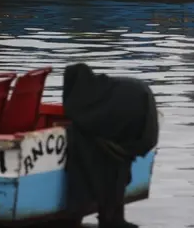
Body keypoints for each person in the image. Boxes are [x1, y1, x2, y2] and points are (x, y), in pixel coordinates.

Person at [62, 62, 159, 228]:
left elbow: (88, 122)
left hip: (135, 112)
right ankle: (112, 216)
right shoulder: (101, 90)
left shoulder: (91, 100)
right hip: (142, 111)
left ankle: (107, 216)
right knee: (116, 166)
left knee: (111, 165)